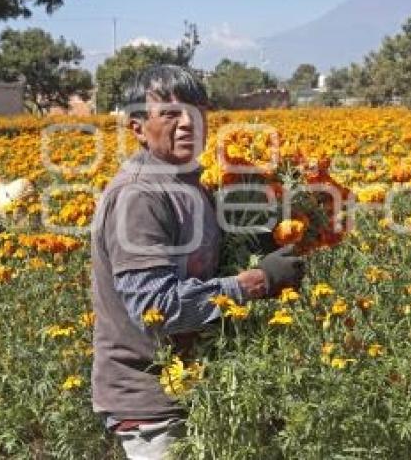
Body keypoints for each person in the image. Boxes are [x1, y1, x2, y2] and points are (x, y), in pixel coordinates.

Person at [90, 64, 305, 459]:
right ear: (138, 128)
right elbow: (156, 307)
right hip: (152, 403)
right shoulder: (140, 197)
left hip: (194, 387)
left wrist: (259, 236)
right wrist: (256, 281)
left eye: (197, 111)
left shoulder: (188, 181)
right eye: (171, 113)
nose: (188, 123)